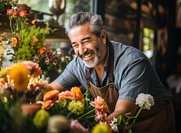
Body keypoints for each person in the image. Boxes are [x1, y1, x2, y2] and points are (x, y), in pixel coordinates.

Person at [48, 12, 176, 132]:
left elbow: (122, 114)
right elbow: (50, 90)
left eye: (86, 41)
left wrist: (87, 129)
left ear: (102, 37)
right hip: (118, 126)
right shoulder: (78, 65)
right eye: (75, 45)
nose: (81, 51)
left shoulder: (133, 62)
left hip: (152, 123)